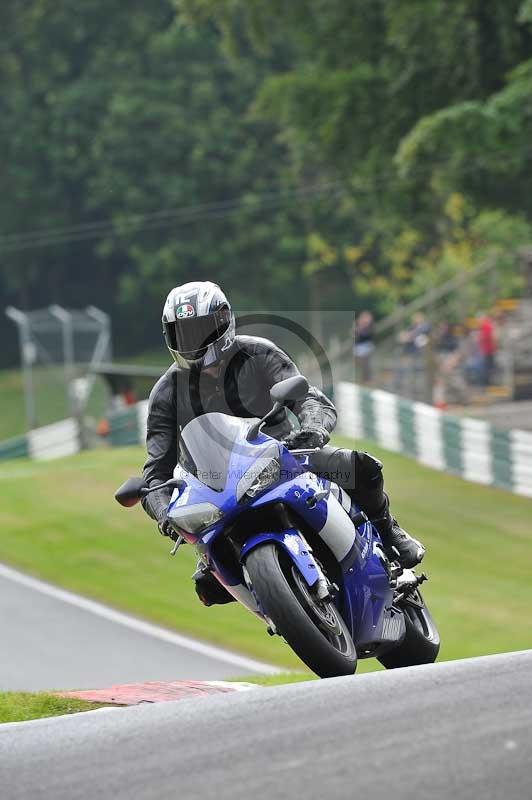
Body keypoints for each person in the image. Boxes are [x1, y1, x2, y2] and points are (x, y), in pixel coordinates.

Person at [141, 281, 424, 606]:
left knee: (358, 467)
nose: (192, 342)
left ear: (223, 321)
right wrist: (163, 510)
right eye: (182, 334)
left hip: (284, 456)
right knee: (208, 585)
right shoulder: (166, 393)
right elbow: (155, 472)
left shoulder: (258, 353)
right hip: (219, 489)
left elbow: (311, 400)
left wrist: (312, 430)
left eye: (200, 331)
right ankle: (279, 607)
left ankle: (388, 534)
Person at [352, 310, 374, 384]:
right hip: (358, 348)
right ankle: (360, 379)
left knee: (365, 364)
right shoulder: (358, 325)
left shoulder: (370, 327)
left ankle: (366, 380)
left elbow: (367, 335)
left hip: (365, 347)